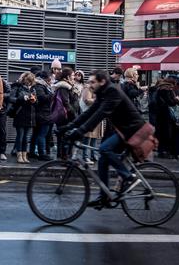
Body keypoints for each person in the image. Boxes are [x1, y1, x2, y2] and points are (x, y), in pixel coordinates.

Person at [62, 70, 146, 208]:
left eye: (93, 82)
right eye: (89, 82)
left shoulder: (113, 92)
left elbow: (100, 115)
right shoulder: (102, 93)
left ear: (102, 82)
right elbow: (89, 113)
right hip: (123, 129)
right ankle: (104, 197)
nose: (90, 84)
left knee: (104, 148)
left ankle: (129, 177)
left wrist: (80, 131)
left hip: (133, 129)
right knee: (102, 159)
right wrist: (68, 127)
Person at [151, 77, 179, 158]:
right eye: (173, 86)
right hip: (165, 115)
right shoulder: (166, 90)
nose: (173, 88)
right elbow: (170, 102)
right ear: (170, 84)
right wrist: (176, 100)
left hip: (160, 115)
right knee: (167, 134)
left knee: (161, 133)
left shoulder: (160, 89)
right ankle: (166, 151)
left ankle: (161, 151)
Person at [53, 68, 79, 160]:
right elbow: (66, 102)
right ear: (67, 76)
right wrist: (73, 114)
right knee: (64, 136)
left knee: (63, 136)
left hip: (68, 115)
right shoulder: (64, 87)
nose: (74, 77)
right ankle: (64, 156)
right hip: (65, 116)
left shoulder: (69, 86)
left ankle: (63, 155)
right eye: (72, 75)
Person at [30, 71, 54, 160]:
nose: (51, 79)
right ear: (45, 78)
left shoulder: (40, 85)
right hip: (43, 114)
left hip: (41, 113)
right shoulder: (39, 86)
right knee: (42, 134)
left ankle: (32, 152)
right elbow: (42, 98)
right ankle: (42, 154)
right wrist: (52, 95)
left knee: (36, 134)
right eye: (49, 77)